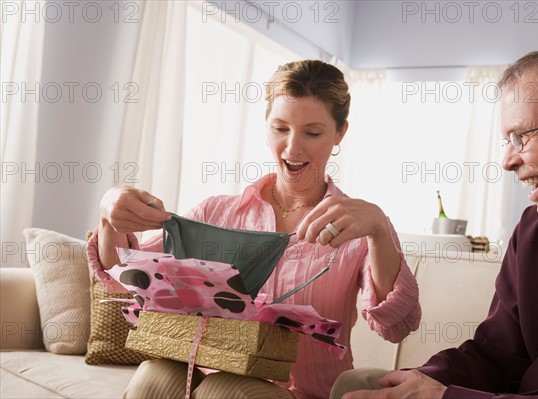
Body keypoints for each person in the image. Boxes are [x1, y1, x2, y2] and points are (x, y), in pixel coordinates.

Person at [87, 60, 422, 399]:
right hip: (202, 380)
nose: (293, 148)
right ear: (266, 126)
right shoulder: (215, 212)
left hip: (299, 394)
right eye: (280, 128)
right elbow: (119, 276)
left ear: (340, 133)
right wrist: (108, 214)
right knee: (154, 375)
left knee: (228, 390)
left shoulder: (360, 227)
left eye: (313, 132)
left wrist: (378, 229)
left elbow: (396, 326)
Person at [331, 40, 538, 399]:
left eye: (521, 136)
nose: (507, 161)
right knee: (358, 385)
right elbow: (495, 355)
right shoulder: (534, 231)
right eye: (506, 141)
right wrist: (420, 382)